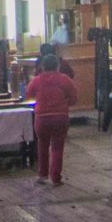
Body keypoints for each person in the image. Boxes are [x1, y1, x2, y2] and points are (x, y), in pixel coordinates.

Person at [24, 50, 80, 186]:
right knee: (57, 147)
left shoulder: (36, 80)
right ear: (58, 66)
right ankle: (56, 177)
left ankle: (42, 175)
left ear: (43, 67)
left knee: (42, 145)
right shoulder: (65, 79)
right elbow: (74, 99)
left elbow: (29, 95)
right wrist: (66, 103)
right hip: (60, 116)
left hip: (42, 117)